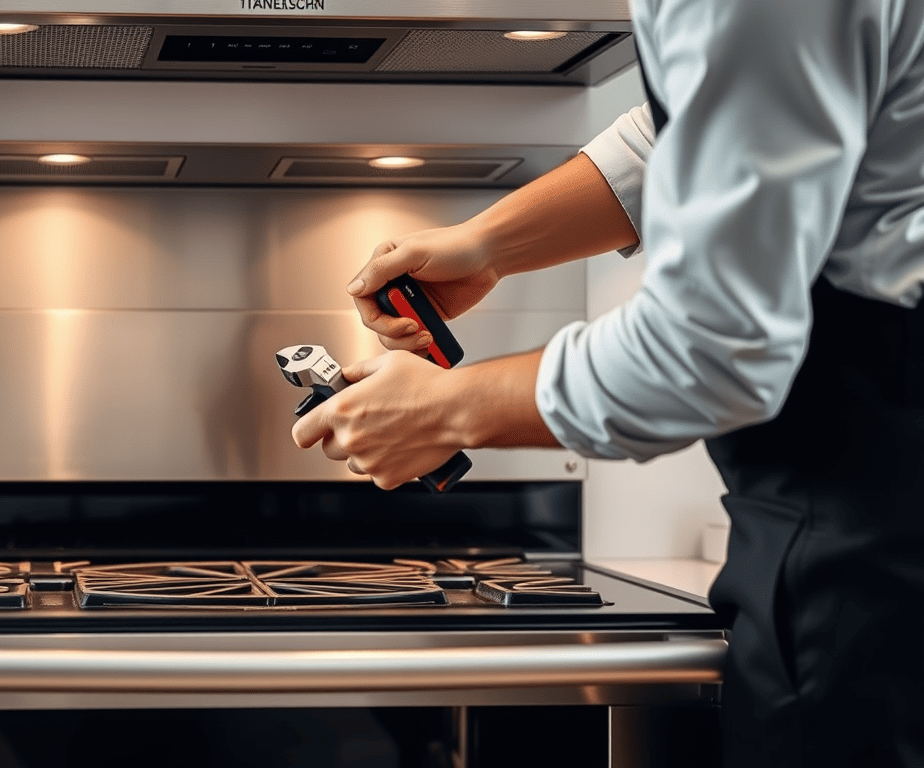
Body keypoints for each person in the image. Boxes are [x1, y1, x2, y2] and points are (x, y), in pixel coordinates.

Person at [290, 2, 924, 766]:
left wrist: (448, 410)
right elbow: (704, 128)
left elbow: (711, 348)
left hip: (870, 532)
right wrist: (486, 244)